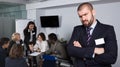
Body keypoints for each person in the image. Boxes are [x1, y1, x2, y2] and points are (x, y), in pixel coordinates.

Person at [67, 2, 118, 67]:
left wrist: (83, 55)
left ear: (93, 12)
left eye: (85, 14)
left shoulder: (108, 29)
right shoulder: (77, 29)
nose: (83, 19)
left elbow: (111, 58)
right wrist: (94, 50)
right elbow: (70, 50)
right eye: (80, 16)